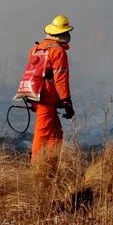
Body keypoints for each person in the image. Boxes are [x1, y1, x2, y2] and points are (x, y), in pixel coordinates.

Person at [27, 15, 75, 161]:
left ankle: (51, 164)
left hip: (36, 95)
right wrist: (66, 102)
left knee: (55, 134)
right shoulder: (58, 52)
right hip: (46, 99)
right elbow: (61, 78)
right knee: (42, 133)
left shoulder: (36, 48)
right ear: (61, 34)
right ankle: (37, 169)